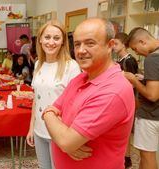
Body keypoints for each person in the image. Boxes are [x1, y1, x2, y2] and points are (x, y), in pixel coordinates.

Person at [42, 18, 135, 169]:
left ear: (110, 45)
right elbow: (54, 112)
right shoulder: (81, 78)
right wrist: (48, 114)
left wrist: (50, 117)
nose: (80, 50)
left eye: (90, 43)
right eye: (77, 44)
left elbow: (66, 141)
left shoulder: (113, 91)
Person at [26, 20, 81, 169]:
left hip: (59, 133)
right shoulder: (38, 64)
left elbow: (75, 105)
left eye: (56, 38)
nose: (51, 42)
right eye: (47, 37)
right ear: (40, 40)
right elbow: (37, 100)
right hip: (39, 130)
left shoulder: (72, 67)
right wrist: (31, 128)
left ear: (63, 42)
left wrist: (73, 139)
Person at [124, 27, 159, 169]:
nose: (136, 53)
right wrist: (145, 79)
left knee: (147, 156)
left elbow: (152, 95)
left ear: (142, 42)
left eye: (135, 48)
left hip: (150, 116)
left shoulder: (152, 58)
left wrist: (133, 80)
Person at [113, 32, 139, 168]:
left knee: (126, 132)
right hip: (120, 99)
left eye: (116, 44)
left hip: (128, 99)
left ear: (124, 44)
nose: (113, 47)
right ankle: (124, 155)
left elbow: (133, 82)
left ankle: (127, 157)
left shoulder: (129, 61)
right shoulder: (119, 60)